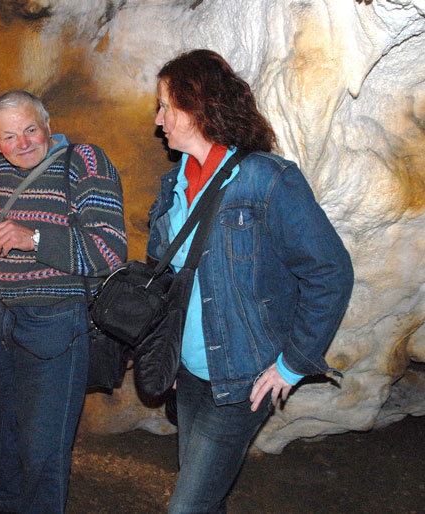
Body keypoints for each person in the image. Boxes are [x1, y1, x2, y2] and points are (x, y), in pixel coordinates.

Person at [146, 49, 354, 513]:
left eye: (165, 105)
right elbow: (169, 282)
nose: (158, 120)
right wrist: (168, 353)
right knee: (207, 498)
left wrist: (293, 363)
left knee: (188, 507)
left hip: (243, 376)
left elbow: (330, 272)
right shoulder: (173, 186)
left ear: (196, 106)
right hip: (189, 371)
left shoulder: (265, 179)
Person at [0, 90, 127, 514]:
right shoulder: (4, 172)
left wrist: (34, 237)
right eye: (8, 137)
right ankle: (0, 504)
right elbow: (10, 251)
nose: (22, 144)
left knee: (42, 441)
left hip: (54, 321)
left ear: (48, 125)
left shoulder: (84, 161)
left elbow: (109, 251)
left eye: (30, 129)